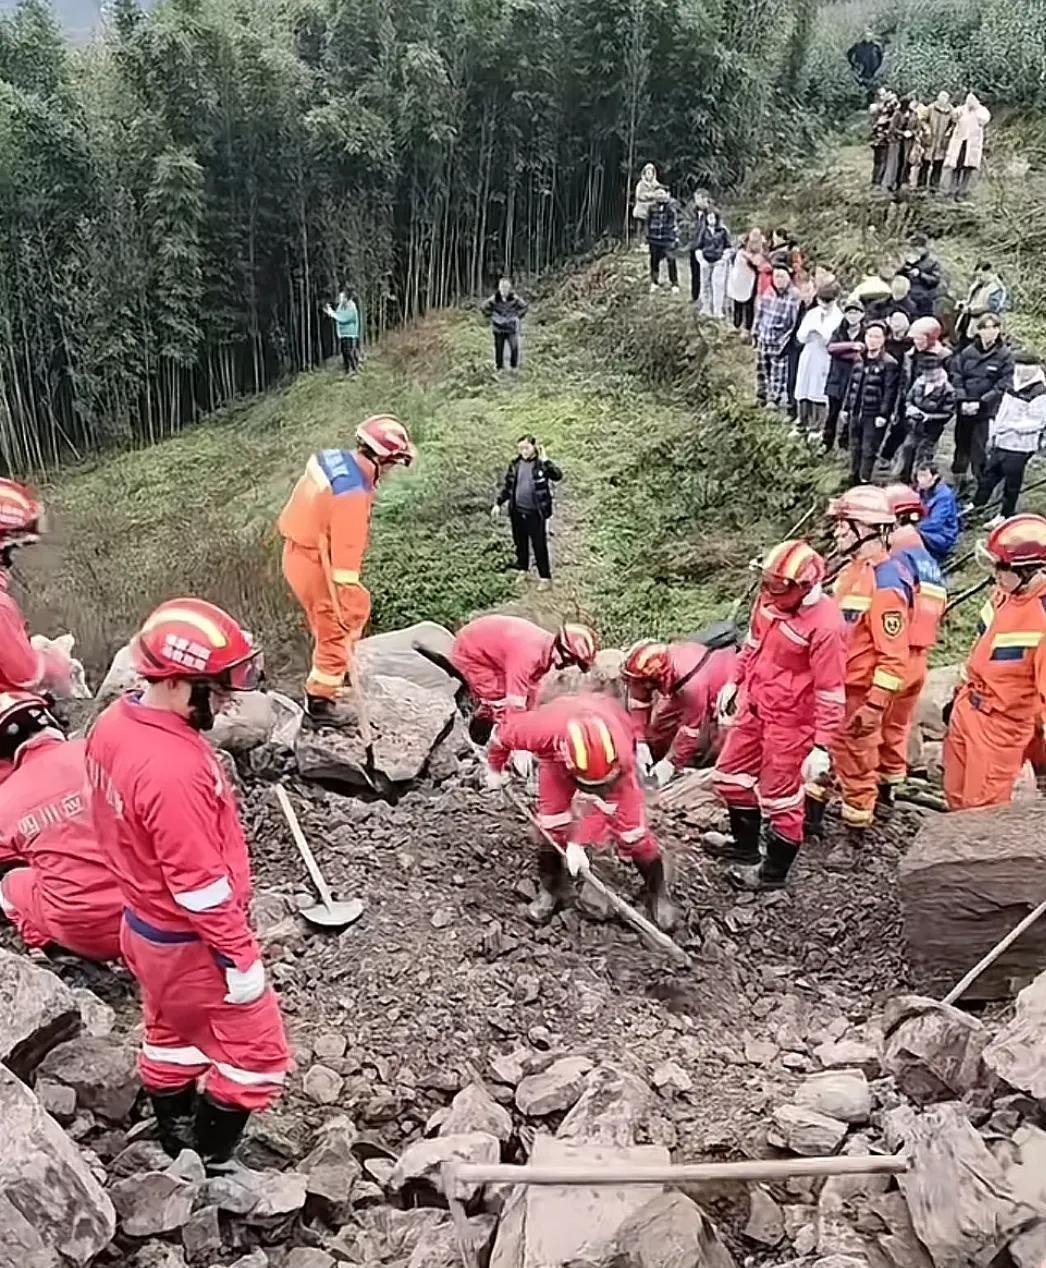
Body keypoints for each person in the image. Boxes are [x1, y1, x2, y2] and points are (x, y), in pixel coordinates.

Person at [86, 599, 290, 1169]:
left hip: (144, 928)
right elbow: (199, 887)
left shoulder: (114, 723)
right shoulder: (172, 769)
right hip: (189, 941)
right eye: (216, 688)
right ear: (177, 681)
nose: (225, 700)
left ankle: (173, 1132)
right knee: (258, 1054)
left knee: (170, 1029)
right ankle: (209, 1157)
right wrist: (240, 959)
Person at [711, 540, 846, 891]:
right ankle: (744, 848)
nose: (769, 591)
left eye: (778, 585)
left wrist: (822, 746)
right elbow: (752, 645)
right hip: (755, 708)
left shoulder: (826, 626)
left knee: (780, 798)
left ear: (803, 586)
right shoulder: (769, 601)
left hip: (791, 723)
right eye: (767, 583)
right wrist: (734, 681)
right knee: (729, 777)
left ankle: (772, 874)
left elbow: (831, 689)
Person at [486, 693, 678, 930]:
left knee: (633, 835)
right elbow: (499, 738)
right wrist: (495, 769)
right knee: (551, 824)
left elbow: (603, 804)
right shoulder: (539, 730)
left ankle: (657, 891)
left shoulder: (621, 756)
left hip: (616, 776)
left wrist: (579, 842)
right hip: (556, 762)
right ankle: (550, 889)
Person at [278, 415, 415, 727]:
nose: (392, 472)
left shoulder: (332, 460)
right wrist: (351, 605)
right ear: (383, 459)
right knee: (337, 625)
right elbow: (345, 568)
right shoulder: (352, 497)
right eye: (393, 464)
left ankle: (337, 675)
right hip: (317, 563)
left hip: (298, 550)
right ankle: (321, 702)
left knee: (329, 621)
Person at [805, 488, 911, 860]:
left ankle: (853, 839)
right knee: (823, 754)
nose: (837, 533)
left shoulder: (886, 585)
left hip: (857, 694)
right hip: (833, 689)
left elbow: (894, 658)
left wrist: (874, 706)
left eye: (843, 526)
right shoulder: (852, 573)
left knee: (857, 765)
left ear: (865, 528)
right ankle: (811, 821)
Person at [0, 692, 122, 962]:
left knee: (7, 883)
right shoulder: (101, 751)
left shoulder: (6, 799)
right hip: (152, 918)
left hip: (84, 934)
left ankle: (41, 944)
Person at [943, 514, 1046, 810]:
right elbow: (981, 649)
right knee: (955, 796)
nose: (995, 574)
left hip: (1000, 727)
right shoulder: (1002, 595)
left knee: (982, 810)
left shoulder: (1041, 618)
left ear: (1032, 571)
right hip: (968, 709)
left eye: (1002, 567)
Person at [878, 486, 947, 809]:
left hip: (895, 654)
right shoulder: (928, 560)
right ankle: (891, 791)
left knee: (871, 729)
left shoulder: (897, 555)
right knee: (897, 727)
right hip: (918, 659)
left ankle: (866, 802)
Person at [444, 616, 598, 743]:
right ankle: (484, 735)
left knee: (525, 703)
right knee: (498, 697)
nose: (568, 666)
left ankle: (486, 721)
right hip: (471, 652)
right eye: (572, 661)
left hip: (491, 652)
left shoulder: (546, 651)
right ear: (563, 651)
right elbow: (514, 703)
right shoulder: (528, 655)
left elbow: (532, 688)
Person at [621, 636, 739, 787]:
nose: (636, 685)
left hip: (723, 687)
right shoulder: (665, 667)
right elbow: (639, 703)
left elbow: (690, 731)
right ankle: (654, 762)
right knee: (659, 730)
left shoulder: (691, 686)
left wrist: (670, 763)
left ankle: (712, 772)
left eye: (642, 682)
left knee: (718, 741)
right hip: (684, 686)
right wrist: (640, 741)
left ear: (657, 679)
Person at [971, 352, 1046, 525]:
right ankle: (977, 505)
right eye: (1019, 367)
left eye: (1026, 368)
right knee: (990, 473)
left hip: (1021, 446)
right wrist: (997, 430)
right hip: (1002, 440)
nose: (1022, 372)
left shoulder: (1039, 391)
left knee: (1011, 481)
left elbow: (1037, 422)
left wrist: (1011, 427)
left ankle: (1005, 514)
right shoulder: (1013, 382)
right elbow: (1004, 408)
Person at [951, 314, 1014, 494]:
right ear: (978, 331)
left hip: (985, 411)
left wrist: (981, 403)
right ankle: (959, 482)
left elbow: (1004, 384)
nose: (990, 332)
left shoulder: (1005, 355)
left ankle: (980, 488)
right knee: (961, 445)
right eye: (985, 328)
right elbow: (956, 375)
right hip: (964, 408)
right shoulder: (967, 352)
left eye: (994, 328)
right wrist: (962, 398)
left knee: (978, 449)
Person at [493, 436, 562, 587]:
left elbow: (557, 476)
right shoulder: (515, 464)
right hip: (517, 511)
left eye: (526, 448)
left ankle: (545, 578)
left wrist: (547, 462)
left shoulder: (541, 464)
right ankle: (523, 570)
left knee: (539, 544)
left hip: (535, 512)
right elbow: (508, 487)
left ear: (534, 447)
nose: (523, 451)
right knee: (520, 543)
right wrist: (498, 503)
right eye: (521, 448)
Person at [842, 321, 900, 485]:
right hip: (856, 409)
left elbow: (890, 391)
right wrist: (846, 407)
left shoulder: (889, 363)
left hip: (873, 412)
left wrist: (883, 413)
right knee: (855, 446)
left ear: (883, 339)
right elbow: (851, 384)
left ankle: (864, 478)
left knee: (869, 448)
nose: (872, 340)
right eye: (869, 336)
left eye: (876, 337)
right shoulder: (859, 359)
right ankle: (853, 475)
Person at [896, 356, 958, 482]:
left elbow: (948, 413)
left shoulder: (947, 390)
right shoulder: (919, 383)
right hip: (915, 425)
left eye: (933, 372)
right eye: (927, 372)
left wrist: (928, 417)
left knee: (923, 455)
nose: (929, 375)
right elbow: (909, 399)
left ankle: (919, 482)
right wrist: (910, 408)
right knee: (907, 449)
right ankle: (904, 479)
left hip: (932, 430)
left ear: (940, 370)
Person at [796, 283, 842, 436]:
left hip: (824, 356)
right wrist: (808, 332)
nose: (824, 304)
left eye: (828, 301)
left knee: (818, 390)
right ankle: (802, 422)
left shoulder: (838, 317)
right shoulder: (812, 314)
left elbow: (833, 341)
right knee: (804, 388)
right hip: (809, 353)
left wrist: (821, 333)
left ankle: (816, 426)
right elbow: (800, 336)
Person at [755, 264, 800, 410]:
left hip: (779, 340)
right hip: (764, 337)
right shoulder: (768, 292)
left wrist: (784, 340)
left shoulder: (794, 296)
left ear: (788, 278)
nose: (778, 280)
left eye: (781, 276)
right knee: (762, 368)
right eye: (776, 277)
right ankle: (762, 395)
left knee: (778, 371)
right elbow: (760, 313)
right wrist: (756, 332)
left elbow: (793, 323)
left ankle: (774, 398)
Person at [824, 298, 865, 451]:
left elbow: (863, 353)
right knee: (832, 413)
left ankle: (845, 444)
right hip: (837, 377)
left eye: (856, 312)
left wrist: (844, 352)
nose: (852, 315)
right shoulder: (839, 330)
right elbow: (831, 348)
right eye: (849, 312)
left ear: (862, 314)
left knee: (851, 413)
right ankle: (826, 443)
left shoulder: (865, 332)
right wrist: (852, 346)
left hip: (855, 379)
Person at [944, 93, 991, 198]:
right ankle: (952, 189)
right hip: (960, 142)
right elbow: (954, 116)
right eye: (968, 99)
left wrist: (975, 109)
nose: (969, 102)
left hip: (972, 143)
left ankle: (962, 190)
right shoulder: (961, 109)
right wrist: (956, 114)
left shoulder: (982, 111)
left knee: (968, 168)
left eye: (972, 99)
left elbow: (984, 120)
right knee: (956, 166)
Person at [915, 461, 960, 561]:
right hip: (924, 528)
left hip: (942, 535)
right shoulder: (921, 491)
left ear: (935, 477)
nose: (920, 480)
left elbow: (935, 524)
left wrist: (914, 528)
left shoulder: (944, 496)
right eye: (919, 476)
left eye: (924, 476)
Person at [954, 263, 1007, 347]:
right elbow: (973, 301)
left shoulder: (996, 288)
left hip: (982, 327)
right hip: (968, 324)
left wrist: (970, 310)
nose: (978, 278)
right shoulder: (978, 285)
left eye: (980, 275)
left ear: (989, 272)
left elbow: (991, 307)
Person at [482, 278, 528, 371]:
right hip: (498, 328)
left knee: (514, 347)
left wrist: (517, 316)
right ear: (499, 288)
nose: (504, 289)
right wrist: (491, 315)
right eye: (502, 287)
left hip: (511, 327)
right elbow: (483, 307)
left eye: (506, 287)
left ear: (509, 288)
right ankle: (499, 368)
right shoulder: (494, 299)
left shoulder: (514, 298)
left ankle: (513, 366)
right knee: (499, 349)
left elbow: (524, 307)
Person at [727, 229, 767, 337]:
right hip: (738, 278)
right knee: (737, 303)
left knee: (748, 305)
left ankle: (746, 328)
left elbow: (758, 263)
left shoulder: (761, 251)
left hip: (750, 280)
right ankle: (736, 324)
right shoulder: (741, 248)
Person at [692, 209, 730, 317]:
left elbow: (728, 247)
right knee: (705, 284)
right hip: (705, 261)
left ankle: (718, 309)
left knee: (718, 285)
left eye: (713, 217)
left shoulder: (723, 231)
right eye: (709, 218)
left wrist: (723, 259)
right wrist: (701, 260)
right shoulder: (703, 231)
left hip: (718, 261)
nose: (711, 220)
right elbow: (698, 247)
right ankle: (706, 308)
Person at [899, 235, 941, 317]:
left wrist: (920, 274)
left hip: (925, 298)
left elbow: (935, 280)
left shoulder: (932, 261)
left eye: (916, 248)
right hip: (909, 296)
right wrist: (904, 267)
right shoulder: (908, 259)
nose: (914, 251)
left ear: (923, 248)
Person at [647, 190, 679, 294]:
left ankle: (674, 283)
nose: (660, 196)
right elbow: (647, 223)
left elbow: (673, 223)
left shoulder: (670, 209)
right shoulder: (651, 208)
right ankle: (654, 282)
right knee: (654, 261)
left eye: (662, 194)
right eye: (658, 194)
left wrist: (673, 236)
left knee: (671, 260)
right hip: (654, 238)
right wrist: (648, 236)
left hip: (667, 239)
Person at [881, 96, 916, 193]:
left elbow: (916, 126)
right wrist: (902, 133)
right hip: (896, 141)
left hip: (907, 142)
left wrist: (912, 133)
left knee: (903, 163)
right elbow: (892, 128)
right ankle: (889, 183)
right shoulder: (897, 113)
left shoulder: (912, 113)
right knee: (894, 163)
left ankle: (899, 182)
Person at [324, 288, 360, 373]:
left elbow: (345, 318)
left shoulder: (351, 305)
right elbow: (337, 316)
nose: (339, 299)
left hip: (350, 333)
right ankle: (347, 370)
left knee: (349, 351)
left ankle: (354, 368)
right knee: (344, 351)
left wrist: (332, 314)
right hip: (343, 333)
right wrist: (330, 312)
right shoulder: (341, 306)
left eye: (341, 297)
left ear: (346, 298)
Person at [926, 92, 956, 190]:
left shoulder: (951, 110)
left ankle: (934, 185)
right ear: (938, 97)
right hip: (930, 138)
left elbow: (954, 124)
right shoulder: (930, 108)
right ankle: (921, 184)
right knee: (925, 162)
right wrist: (927, 129)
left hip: (942, 140)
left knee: (938, 164)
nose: (943, 99)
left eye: (946, 97)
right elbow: (923, 120)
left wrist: (949, 132)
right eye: (941, 97)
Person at [869, 93, 896, 186]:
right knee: (882, 162)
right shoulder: (883, 112)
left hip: (877, 140)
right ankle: (878, 181)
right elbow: (881, 123)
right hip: (881, 140)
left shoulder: (877, 110)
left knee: (878, 162)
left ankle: (875, 180)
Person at [632, 163, 663, 239]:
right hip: (641, 210)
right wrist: (651, 195)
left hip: (650, 210)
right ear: (644, 174)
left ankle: (647, 241)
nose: (649, 175)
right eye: (648, 173)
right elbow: (639, 196)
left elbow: (659, 193)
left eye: (651, 173)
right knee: (640, 227)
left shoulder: (655, 184)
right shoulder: (641, 184)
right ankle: (639, 241)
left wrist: (660, 194)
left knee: (648, 227)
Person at [907, 101, 932, 188]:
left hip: (922, 147)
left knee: (921, 165)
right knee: (915, 165)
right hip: (917, 146)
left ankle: (919, 183)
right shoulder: (917, 121)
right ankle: (913, 183)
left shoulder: (925, 125)